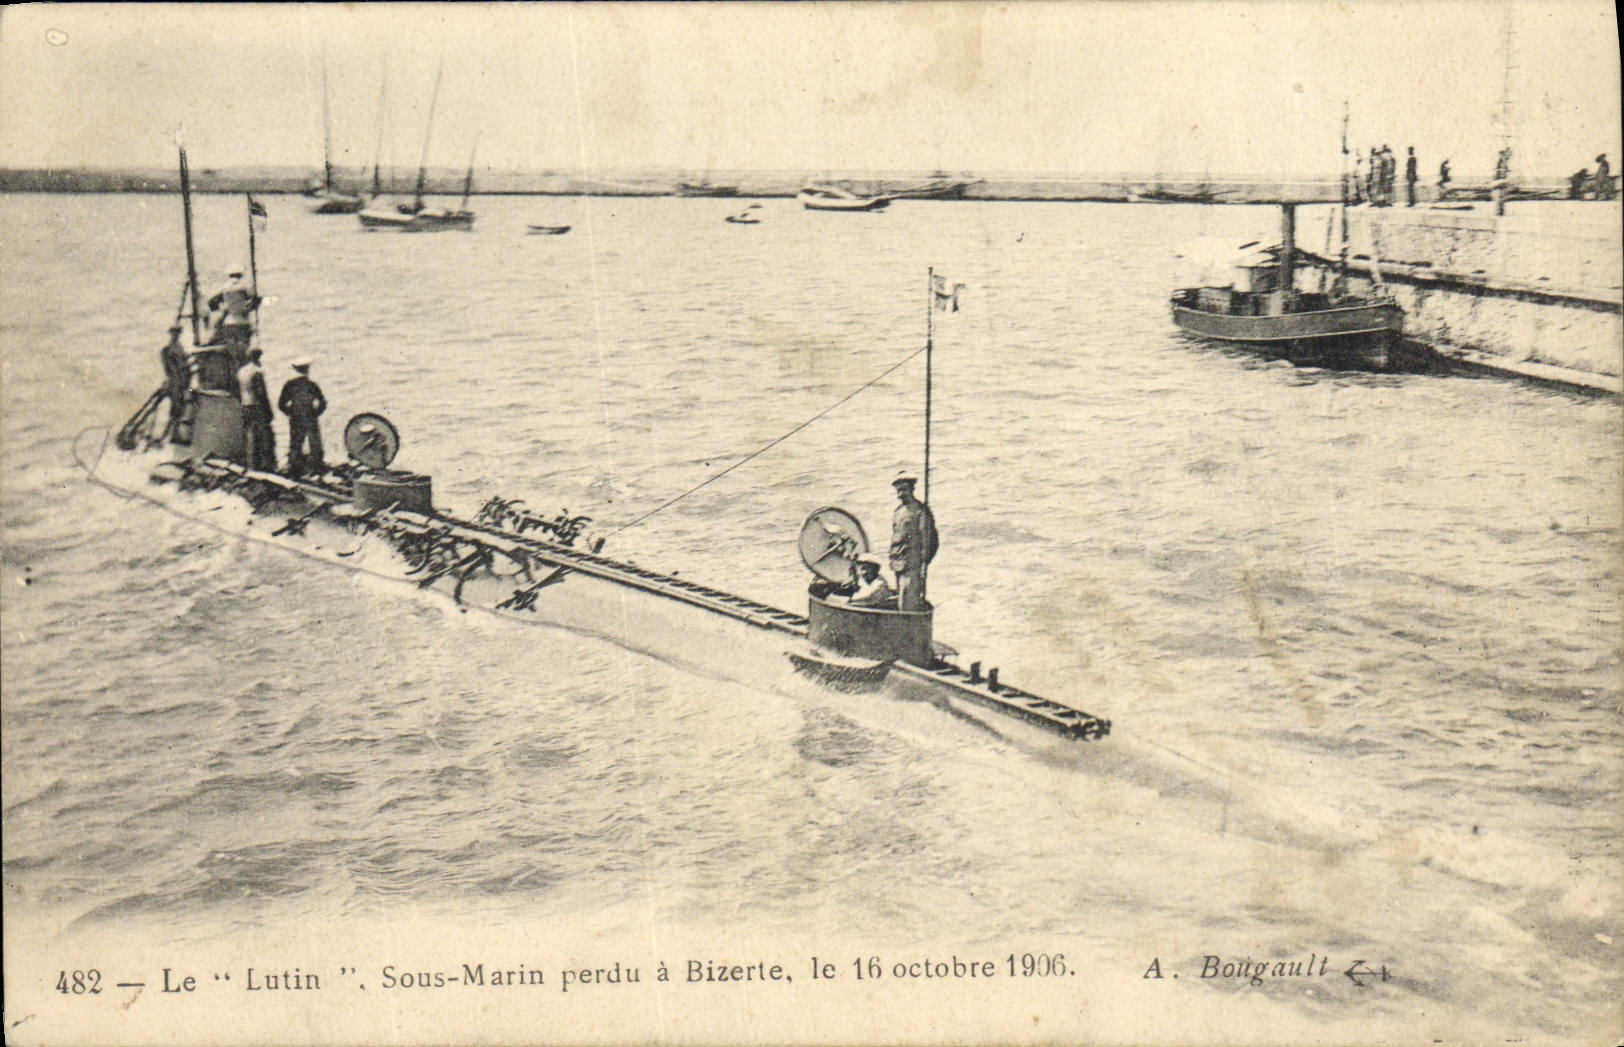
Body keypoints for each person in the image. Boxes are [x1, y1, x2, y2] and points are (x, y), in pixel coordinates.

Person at [888, 470, 938, 613]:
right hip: (898, 564)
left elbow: (929, 540)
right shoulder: (898, 511)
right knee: (900, 602)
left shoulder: (920, 511)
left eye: (903, 490)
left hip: (912, 566)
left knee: (908, 604)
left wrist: (923, 563)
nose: (900, 494)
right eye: (898, 490)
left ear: (912, 489)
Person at [278, 356, 327, 477]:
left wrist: (290, 412)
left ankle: (295, 470)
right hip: (310, 416)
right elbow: (323, 403)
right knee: (314, 443)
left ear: (295, 369)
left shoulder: (289, 385)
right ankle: (316, 469)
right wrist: (316, 413)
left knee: (295, 443)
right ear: (307, 369)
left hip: (296, 417)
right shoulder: (312, 385)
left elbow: (281, 404)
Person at [206, 264, 259, 366]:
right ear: (241, 275)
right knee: (244, 349)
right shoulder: (245, 286)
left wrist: (221, 309)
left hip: (229, 322)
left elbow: (211, 302)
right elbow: (254, 300)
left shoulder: (224, 287)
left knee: (231, 349)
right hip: (243, 322)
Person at [236, 347, 275, 472]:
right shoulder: (257, 372)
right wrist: (269, 410)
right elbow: (261, 393)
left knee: (249, 434)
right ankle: (265, 465)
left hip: (245, 405)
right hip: (256, 405)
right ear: (258, 357)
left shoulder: (241, 371)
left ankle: (251, 464)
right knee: (263, 435)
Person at [160, 324, 192, 440]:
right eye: (174, 333)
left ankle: (175, 433)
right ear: (171, 334)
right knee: (176, 408)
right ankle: (173, 434)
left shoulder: (179, 347)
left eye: (177, 334)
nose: (176, 335)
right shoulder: (168, 350)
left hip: (182, 382)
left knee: (180, 408)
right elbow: (171, 368)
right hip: (176, 382)